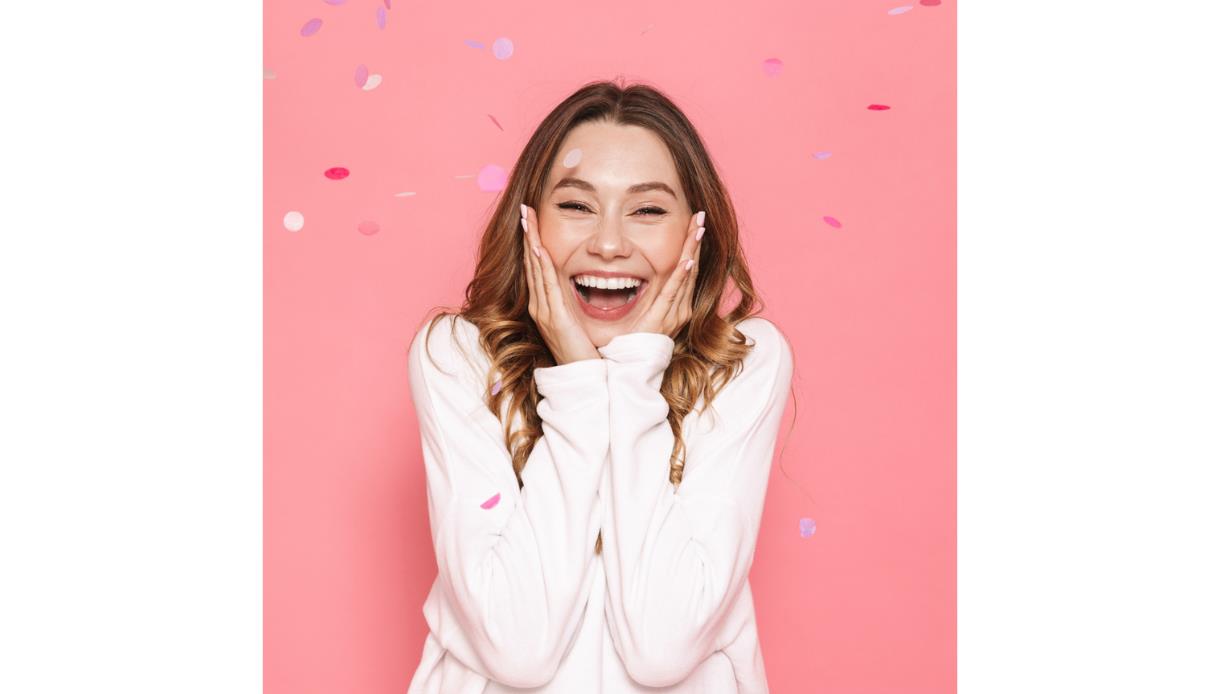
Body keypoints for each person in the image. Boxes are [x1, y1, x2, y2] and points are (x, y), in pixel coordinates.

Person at [405, 78, 794, 693]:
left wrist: (636, 376)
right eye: (577, 205)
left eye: (647, 210)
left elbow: (662, 650)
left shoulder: (742, 366)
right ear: (528, 222)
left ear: (696, 231)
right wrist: (580, 382)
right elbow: (518, 650)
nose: (609, 244)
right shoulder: (459, 357)